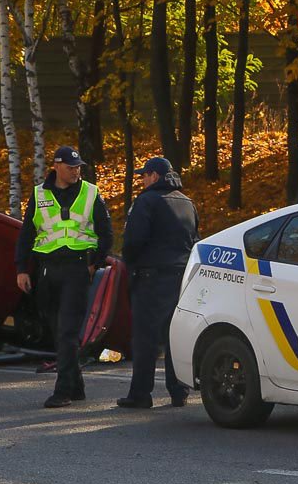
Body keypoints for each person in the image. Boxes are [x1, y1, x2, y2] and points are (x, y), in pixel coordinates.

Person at [15, 146, 112, 408]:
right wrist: (22, 269)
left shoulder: (90, 192)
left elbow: (107, 233)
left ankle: (63, 391)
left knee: (68, 330)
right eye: (70, 167)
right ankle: (76, 384)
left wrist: (95, 264)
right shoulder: (40, 194)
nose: (75, 171)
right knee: (57, 330)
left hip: (77, 268)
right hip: (47, 270)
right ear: (56, 166)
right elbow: (26, 233)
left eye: (78, 167)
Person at [116, 156, 200, 408]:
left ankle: (141, 394)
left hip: (151, 278)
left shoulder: (146, 201)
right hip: (181, 277)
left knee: (145, 338)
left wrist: (129, 263)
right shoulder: (187, 203)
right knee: (175, 335)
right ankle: (179, 391)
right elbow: (195, 238)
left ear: (154, 176)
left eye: (144, 175)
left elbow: (133, 241)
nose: (142, 180)